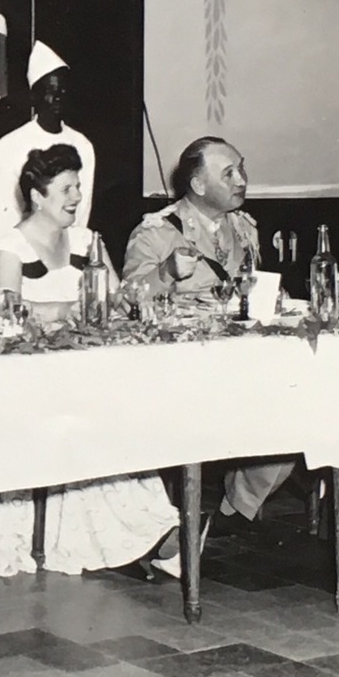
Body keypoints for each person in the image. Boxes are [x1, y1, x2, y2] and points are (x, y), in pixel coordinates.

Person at [0, 145, 182, 579]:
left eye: (79, 186)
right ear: (37, 195)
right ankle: (143, 539)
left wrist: (167, 274)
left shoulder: (87, 241)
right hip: (30, 378)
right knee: (90, 416)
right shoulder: (8, 251)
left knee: (127, 410)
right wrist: (67, 309)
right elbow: (8, 318)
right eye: (66, 188)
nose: (77, 196)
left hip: (85, 368)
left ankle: (145, 534)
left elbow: (118, 303)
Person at [123, 137, 294, 540]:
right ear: (198, 185)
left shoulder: (244, 228)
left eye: (242, 169)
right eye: (229, 173)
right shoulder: (158, 231)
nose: (242, 180)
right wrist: (165, 272)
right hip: (180, 370)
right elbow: (127, 303)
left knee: (297, 409)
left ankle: (238, 506)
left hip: (240, 362)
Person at [0, 41, 97, 240]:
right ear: (35, 97)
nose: (57, 98)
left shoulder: (82, 145)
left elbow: (80, 209)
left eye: (62, 91)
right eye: (50, 92)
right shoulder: (8, 147)